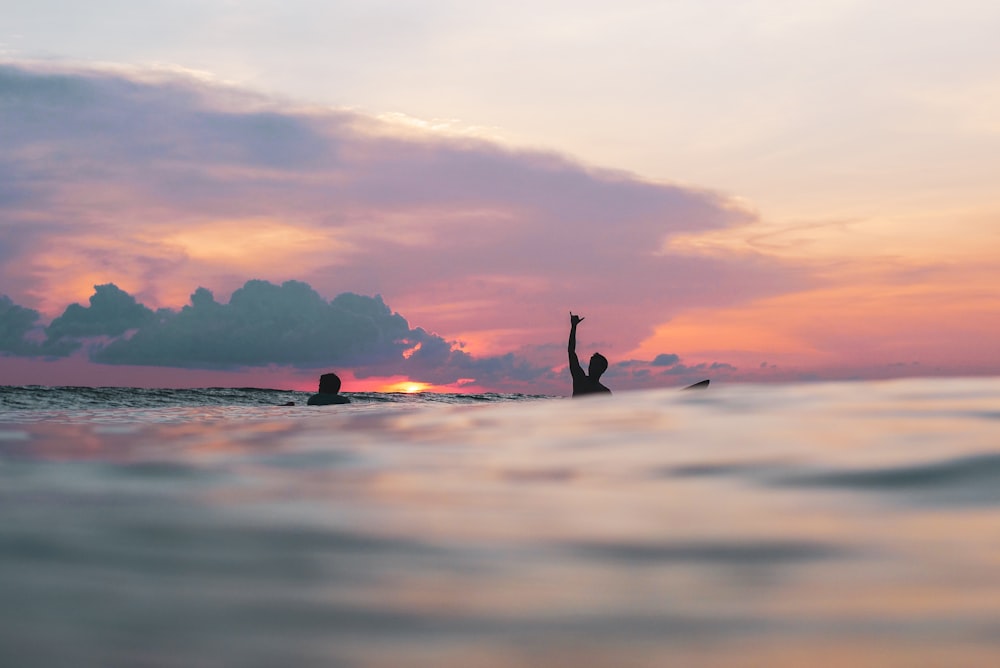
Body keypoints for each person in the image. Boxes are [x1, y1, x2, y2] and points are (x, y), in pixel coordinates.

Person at [568, 312, 611, 397]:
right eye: (591, 364)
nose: (591, 367)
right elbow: (571, 351)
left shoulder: (605, 392)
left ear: (602, 369)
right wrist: (574, 327)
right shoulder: (580, 379)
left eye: (595, 365)